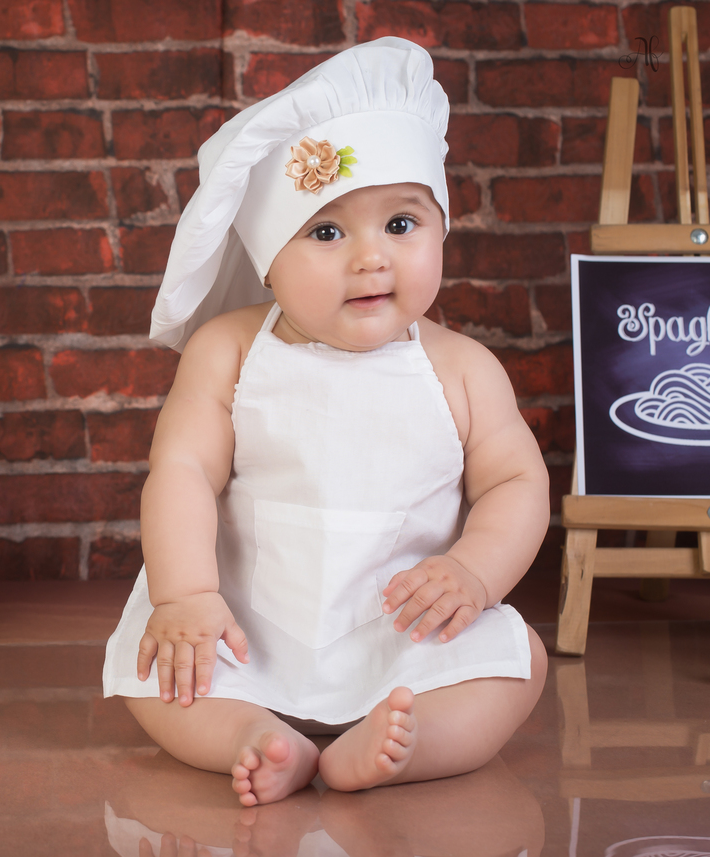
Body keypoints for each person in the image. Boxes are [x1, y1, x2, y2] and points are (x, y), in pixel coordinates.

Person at [101, 37, 551, 806]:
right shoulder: (229, 350)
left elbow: (516, 480)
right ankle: (253, 736)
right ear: (268, 260)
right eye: (327, 231)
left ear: (442, 228)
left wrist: (474, 571)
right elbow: (182, 471)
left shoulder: (463, 367)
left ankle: (401, 744)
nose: (372, 258)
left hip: (404, 633)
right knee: (153, 670)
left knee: (520, 662)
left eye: (401, 224)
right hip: (246, 626)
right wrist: (186, 595)